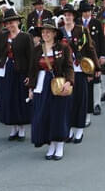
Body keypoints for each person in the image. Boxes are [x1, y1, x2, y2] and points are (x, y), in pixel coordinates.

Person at [28, 19, 74, 160]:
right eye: (43, 32)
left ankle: (59, 144)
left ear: (54, 33)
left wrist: (69, 82)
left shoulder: (63, 48)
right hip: (41, 85)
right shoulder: (37, 50)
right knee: (44, 115)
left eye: (48, 31)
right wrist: (31, 88)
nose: (45, 34)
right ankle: (50, 144)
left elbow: (68, 67)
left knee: (58, 115)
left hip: (57, 84)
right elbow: (32, 70)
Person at [0, 9, 33, 141]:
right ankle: (13, 127)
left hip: (20, 71)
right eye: (7, 23)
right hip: (6, 70)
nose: (10, 25)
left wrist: (30, 76)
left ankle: (21, 129)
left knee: (19, 100)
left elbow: (31, 58)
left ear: (18, 22)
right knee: (8, 99)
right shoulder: (3, 36)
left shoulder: (26, 37)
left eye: (12, 22)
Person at [60, 4, 100, 143]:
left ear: (74, 16)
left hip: (80, 70)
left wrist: (95, 69)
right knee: (67, 102)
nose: (68, 17)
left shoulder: (82, 30)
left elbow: (90, 48)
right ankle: (69, 130)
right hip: (66, 73)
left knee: (80, 102)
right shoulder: (59, 32)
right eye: (66, 15)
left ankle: (79, 130)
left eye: (70, 14)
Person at [77, 2, 105, 119]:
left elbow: (102, 40)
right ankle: (85, 104)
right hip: (82, 57)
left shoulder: (96, 22)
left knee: (96, 79)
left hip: (95, 55)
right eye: (85, 11)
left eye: (88, 11)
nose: (87, 13)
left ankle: (97, 104)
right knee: (84, 81)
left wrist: (103, 55)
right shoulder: (78, 23)